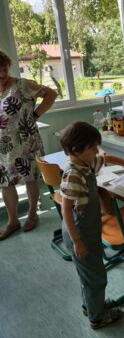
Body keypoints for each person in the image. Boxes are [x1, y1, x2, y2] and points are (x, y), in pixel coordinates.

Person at [59, 121, 124, 329]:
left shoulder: (86, 163)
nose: (96, 152)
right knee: (96, 277)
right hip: (79, 234)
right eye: (92, 148)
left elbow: (106, 159)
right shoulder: (73, 175)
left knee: (88, 275)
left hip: (87, 232)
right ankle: (97, 317)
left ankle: (91, 305)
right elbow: (66, 210)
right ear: (76, 150)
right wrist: (77, 241)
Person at [0, 50, 57, 240]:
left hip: (25, 141)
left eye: (4, 69)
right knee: (5, 181)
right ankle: (12, 221)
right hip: (2, 145)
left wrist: (35, 115)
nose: (1, 74)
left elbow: (51, 94)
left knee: (30, 177)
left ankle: (33, 214)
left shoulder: (22, 85)